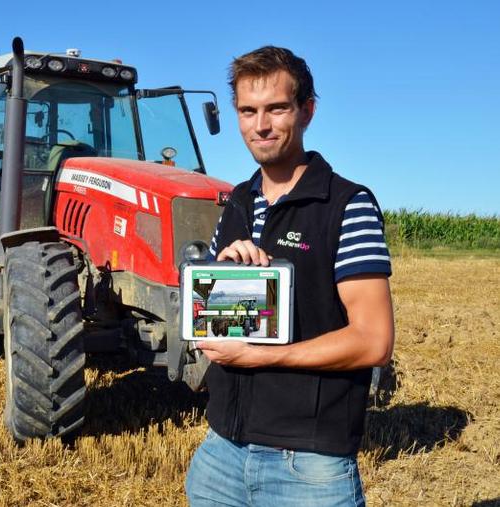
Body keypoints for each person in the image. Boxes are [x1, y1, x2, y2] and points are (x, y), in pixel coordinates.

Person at [185, 46, 395, 506]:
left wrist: (261, 357)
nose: (260, 125)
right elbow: (215, 325)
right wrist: (223, 275)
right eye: (248, 111)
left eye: (276, 108)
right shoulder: (237, 202)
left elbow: (373, 341)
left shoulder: (346, 206)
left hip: (307, 468)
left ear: (307, 111)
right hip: (220, 456)